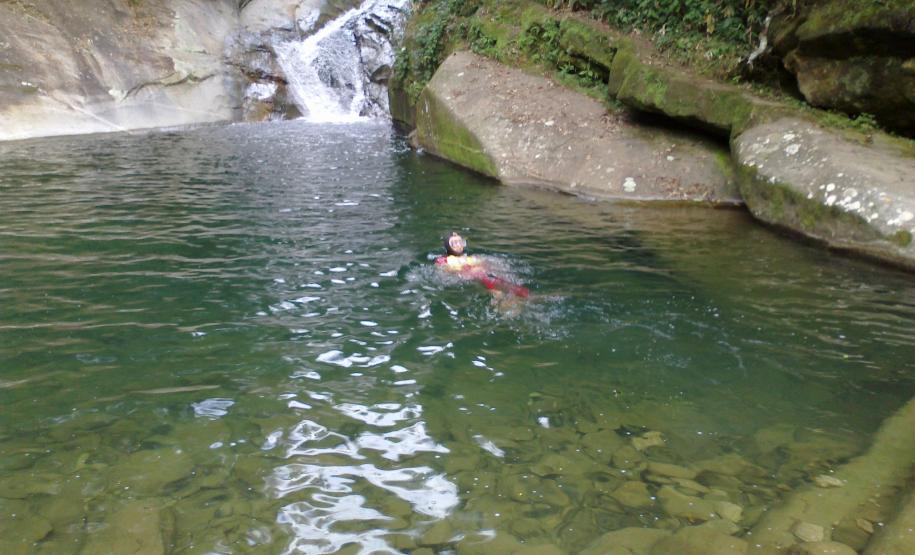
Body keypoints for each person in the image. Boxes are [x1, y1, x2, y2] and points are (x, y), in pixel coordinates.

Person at [435, 232, 529, 298]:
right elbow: (445, 272)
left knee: (511, 286)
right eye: (454, 243)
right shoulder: (443, 260)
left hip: (486, 276)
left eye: (461, 242)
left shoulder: (469, 257)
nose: (459, 245)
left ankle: (525, 295)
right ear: (448, 246)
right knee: (498, 290)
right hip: (475, 279)